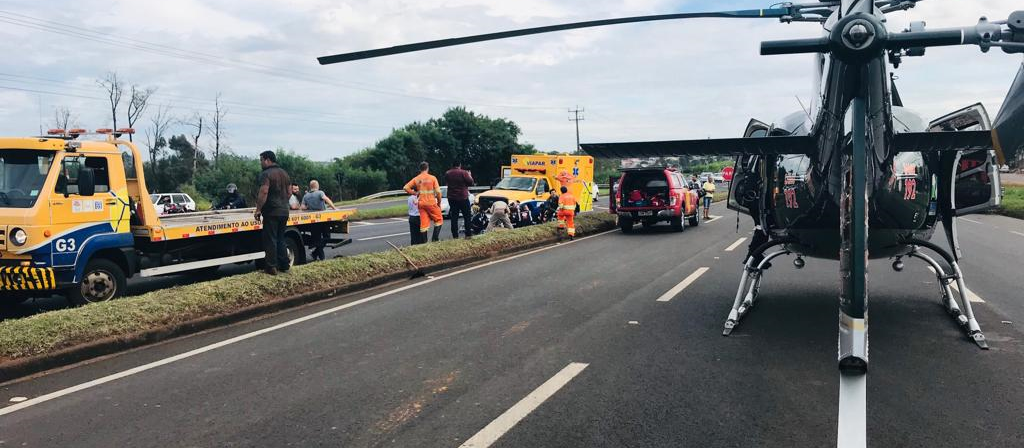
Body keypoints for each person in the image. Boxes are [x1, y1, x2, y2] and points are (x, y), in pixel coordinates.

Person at [254, 150, 292, 275]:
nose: (260, 163)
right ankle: (284, 265)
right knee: (281, 238)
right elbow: (289, 192)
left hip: (271, 212)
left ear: (267, 160)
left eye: (261, 160)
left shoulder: (266, 174)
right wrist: (283, 203)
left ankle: (271, 267)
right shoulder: (284, 173)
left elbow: (264, 191)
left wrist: (258, 209)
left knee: (270, 239)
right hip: (284, 211)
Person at [403, 161, 444, 242]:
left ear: (420, 169)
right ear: (427, 168)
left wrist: (415, 193)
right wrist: (439, 203)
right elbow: (438, 192)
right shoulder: (432, 178)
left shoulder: (416, 178)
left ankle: (425, 243)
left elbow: (405, 187)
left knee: (424, 225)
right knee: (439, 220)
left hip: (421, 204)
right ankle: (435, 239)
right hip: (431, 202)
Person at [301, 179, 336, 261]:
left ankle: (319, 256)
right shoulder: (320, 193)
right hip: (322, 218)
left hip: (313, 220)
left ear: (310, 186)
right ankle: (318, 255)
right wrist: (334, 208)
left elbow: (302, 207)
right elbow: (326, 199)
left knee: (317, 239)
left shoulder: (306, 196)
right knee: (326, 237)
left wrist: (308, 207)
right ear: (317, 186)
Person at [444, 161, 475, 240]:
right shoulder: (463, 173)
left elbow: (447, 183)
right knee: (467, 216)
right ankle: (468, 235)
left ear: (452, 165)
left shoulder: (447, 173)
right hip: (462, 197)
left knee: (454, 217)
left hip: (452, 198)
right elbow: (471, 182)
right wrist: (470, 175)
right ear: (460, 165)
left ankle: (455, 236)